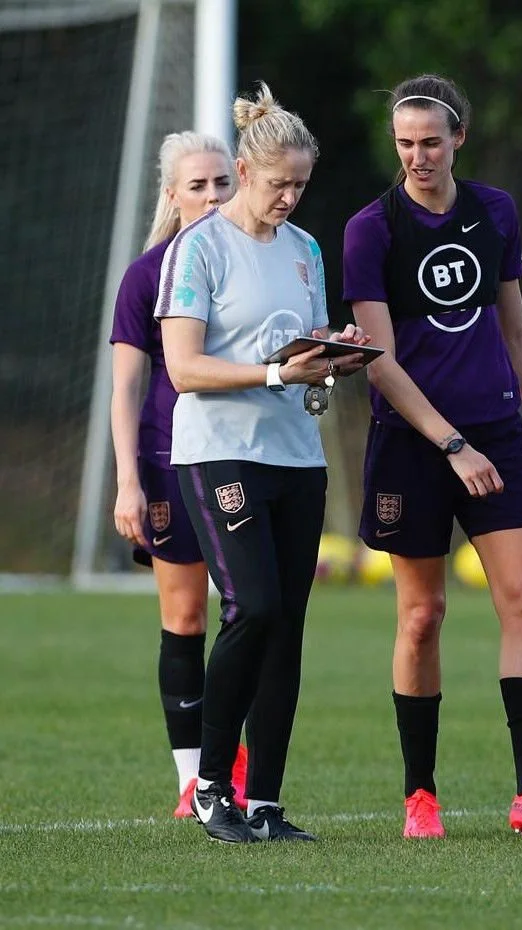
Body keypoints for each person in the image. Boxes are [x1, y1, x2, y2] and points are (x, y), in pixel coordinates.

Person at [343, 74, 522, 838]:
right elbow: (379, 359)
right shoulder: (372, 228)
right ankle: (419, 797)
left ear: (459, 138)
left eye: (430, 141)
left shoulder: (495, 212)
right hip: (413, 444)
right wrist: (448, 444)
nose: (416, 156)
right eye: (404, 144)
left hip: (494, 433)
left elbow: (514, 333)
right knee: (422, 614)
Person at [154, 83, 368, 844]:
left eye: (300, 185)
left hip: (293, 455)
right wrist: (277, 374)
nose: (289, 197)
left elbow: (297, 345)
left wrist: (329, 354)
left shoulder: (306, 248)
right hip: (219, 450)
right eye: (278, 183)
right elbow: (184, 368)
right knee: (254, 608)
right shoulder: (199, 247)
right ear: (244, 171)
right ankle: (213, 787)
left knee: (289, 626)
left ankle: (268, 804)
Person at [110, 131, 248, 819]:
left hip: (248, 459)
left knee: (253, 611)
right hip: (168, 463)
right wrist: (128, 481)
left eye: (223, 182)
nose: (213, 196)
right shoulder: (147, 275)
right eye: (197, 185)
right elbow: (127, 389)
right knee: (185, 615)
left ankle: (239, 761)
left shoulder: (259, 262)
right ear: (172, 194)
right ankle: (193, 779)